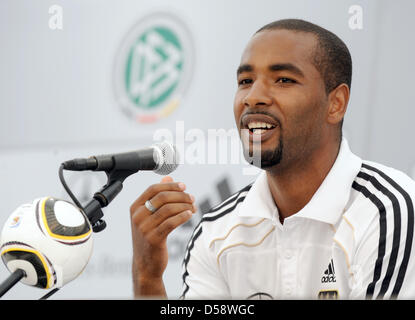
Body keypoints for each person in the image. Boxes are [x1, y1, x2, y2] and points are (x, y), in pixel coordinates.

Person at [129, 19, 415, 299]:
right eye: (245, 81)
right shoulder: (216, 231)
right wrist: (147, 277)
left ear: (336, 103)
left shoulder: (389, 210)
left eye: (283, 80)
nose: (253, 97)